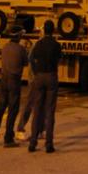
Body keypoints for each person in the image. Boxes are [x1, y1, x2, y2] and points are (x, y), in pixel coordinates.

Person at [0, 28, 28, 147]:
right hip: (14, 80)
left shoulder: (5, 47)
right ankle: (8, 138)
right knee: (12, 109)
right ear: (18, 37)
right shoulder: (21, 49)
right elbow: (25, 63)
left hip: (3, 80)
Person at [28, 19, 62, 153]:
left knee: (37, 110)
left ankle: (33, 142)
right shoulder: (56, 45)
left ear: (43, 30)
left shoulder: (38, 44)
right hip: (51, 76)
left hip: (39, 76)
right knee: (50, 111)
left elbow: (31, 58)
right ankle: (49, 144)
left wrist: (36, 71)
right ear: (53, 30)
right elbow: (59, 59)